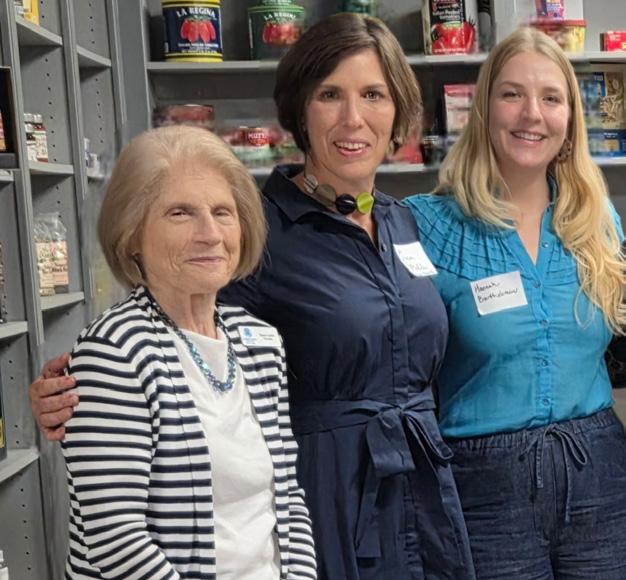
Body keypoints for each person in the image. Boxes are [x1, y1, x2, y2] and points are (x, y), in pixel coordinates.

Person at [29, 13, 475, 580]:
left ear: (398, 112)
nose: (353, 117)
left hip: (417, 484)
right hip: (332, 489)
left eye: (373, 94)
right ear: (300, 111)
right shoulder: (254, 232)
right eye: (329, 95)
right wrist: (69, 391)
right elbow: (168, 330)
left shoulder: (402, 221)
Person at [404, 27, 626, 579]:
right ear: (484, 109)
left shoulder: (597, 221)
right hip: (484, 487)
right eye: (512, 94)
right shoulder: (426, 225)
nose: (532, 114)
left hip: (598, 474)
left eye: (551, 98)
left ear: (570, 118)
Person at [56, 125, 316, 579]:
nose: (210, 233)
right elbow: (116, 540)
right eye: (180, 213)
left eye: (223, 212)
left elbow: (288, 498)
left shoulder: (259, 342)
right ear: (131, 235)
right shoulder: (114, 351)